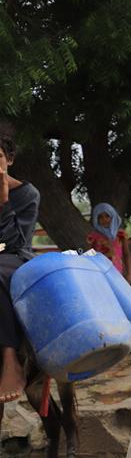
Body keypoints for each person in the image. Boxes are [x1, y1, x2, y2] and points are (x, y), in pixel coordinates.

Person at [0, 125, 40, 403]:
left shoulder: (27, 194)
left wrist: (3, 202)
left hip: (15, 257)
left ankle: (10, 357)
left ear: (9, 159)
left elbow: (14, 242)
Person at [87, 203, 131, 283]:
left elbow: (126, 254)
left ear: (113, 216)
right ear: (96, 219)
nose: (104, 219)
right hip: (100, 275)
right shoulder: (93, 237)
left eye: (107, 216)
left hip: (118, 273)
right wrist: (105, 256)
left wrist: (129, 274)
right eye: (100, 217)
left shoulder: (120, 235)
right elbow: (90, 257)